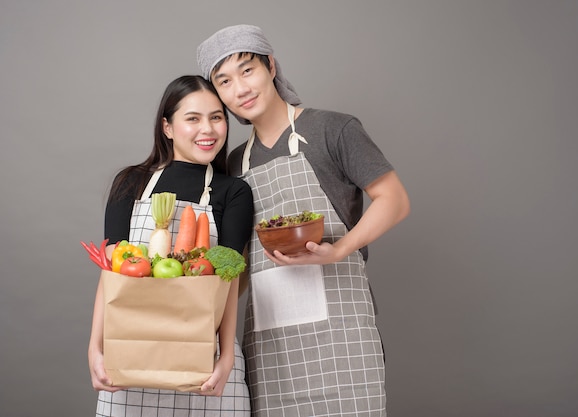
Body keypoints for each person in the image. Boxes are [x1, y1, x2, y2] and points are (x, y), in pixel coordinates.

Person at [197, 25, 411, 417]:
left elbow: (394, 200)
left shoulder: (333, 129)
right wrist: (201, 305)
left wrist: (339, 249)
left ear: (271, 67)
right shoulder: (233, 163)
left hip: (342, 338)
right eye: (224, 81)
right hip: (270, 339)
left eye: (248, 71)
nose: (240, 89)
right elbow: (242, 260)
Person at [88, 75, 254, 416]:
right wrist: (95, 348)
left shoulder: (233, 192)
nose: (207, 130)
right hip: (134, 354)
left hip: (204, 360)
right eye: (192, 118)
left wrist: (225, 359)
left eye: (216, 117)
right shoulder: (130, 183)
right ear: (167, 127)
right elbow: (110, 274)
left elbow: (229, 279)